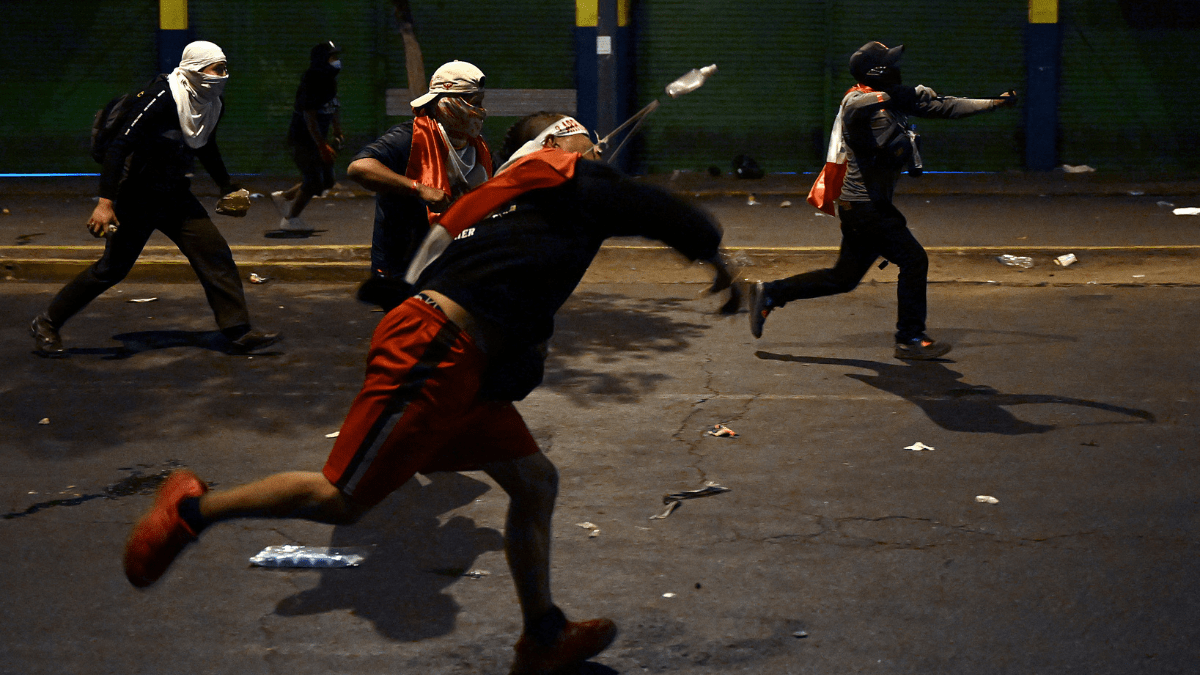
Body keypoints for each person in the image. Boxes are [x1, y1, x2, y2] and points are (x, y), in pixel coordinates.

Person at [122, 114, 737, 674]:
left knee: (534, 482)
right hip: (437, 348)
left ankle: (543, 635)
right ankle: (192, 509)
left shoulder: (508, 200)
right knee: (342, 498)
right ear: (554, 143)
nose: (594, 147)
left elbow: (472, 276)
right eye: (583, 139)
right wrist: (720, 262)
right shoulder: (571, 180)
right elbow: (662, 211)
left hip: (464, 360)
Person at [748, 41, 1016, 359]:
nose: (896, 68)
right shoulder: (858, 101)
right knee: (914, 260)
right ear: (876, 71)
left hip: (864, 209)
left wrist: (994, 103)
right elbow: (855, 106)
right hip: (864, 208)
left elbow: (947, 106)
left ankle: (771, 293)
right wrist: (893, 95)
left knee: (842, 278)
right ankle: (910, 338)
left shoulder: (895, 103)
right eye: (890, 63)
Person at [28, 41, 279, 357]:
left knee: (213, 252)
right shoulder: (162, 97)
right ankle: (47, 322)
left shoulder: (210, 103)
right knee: (112, 269)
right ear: (196, 69)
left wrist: (226, 187)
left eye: (225, 68)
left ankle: (238, 331)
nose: (224, 75)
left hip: (175, 195)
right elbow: (118, 148)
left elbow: (205, 146)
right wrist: (106, 203)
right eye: (218, 68)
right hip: (138, 195)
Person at [346, 60, 493, 310]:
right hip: (404, 263)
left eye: (480, 102)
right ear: (449, 103)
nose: (480, 110)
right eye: (473, 102)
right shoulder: (409, 137)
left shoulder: (476, 144)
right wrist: (419, 188)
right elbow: (359, 168)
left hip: (450, 260)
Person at [271, 41, 344, 232]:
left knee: (326, 182)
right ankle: (290, 219)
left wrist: (337, 131)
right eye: (332, 57)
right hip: (303, 140)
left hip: (319, 139)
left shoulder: (330, 80)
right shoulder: (312, 81)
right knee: (313, 181)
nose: (337, 61)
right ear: (322, 60)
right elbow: (309, 116)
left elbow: (333, 106)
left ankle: (285, 197)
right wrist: (322, 146)